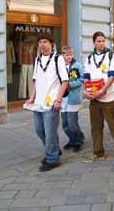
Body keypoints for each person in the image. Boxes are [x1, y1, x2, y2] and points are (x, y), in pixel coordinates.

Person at [25, 33, 68, 172]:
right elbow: (36, 80)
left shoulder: (58, 59)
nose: (42, 44)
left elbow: (65, 81)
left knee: (50, 132)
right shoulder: (37, 59)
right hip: (38, 102)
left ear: (51, 44)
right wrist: (32, 97)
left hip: (52, 102)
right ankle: (54, 149)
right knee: (39, 130)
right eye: (40, 42)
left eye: (45, 42)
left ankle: (52, 159)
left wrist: (58, 99)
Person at [83, 31, 114, 162]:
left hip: (109, 95)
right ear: (94, 42)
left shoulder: (111, 56)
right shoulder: (90, 58)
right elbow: (86, 77)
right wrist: (86, 91)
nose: (101, 43)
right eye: (98, 41)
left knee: (112, 123)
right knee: (95, 125)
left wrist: (103, 90)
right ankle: (98, 152)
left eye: (103, 41)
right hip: (94, 96)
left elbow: (112, 75)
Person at [60, 46, 85, 152]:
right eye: (67, 55)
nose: (69, 57)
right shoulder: (59, 66)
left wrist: (69, 85)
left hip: (73, 98)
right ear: (62, 55)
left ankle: (78, 141)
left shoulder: (77, 65)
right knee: (65, 124)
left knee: (72, 123)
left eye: (70, 54)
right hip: (62, 99)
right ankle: (72, 140)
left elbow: (82, 79)